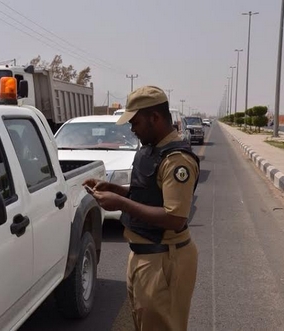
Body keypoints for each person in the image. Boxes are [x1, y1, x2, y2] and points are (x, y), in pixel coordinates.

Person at [83, 86, 200, 331]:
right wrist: (116, 190)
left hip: (165, 259)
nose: (132, 129)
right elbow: (149, 197)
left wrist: (120, 203)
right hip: (143, 255)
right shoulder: (150, 150)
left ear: (155, 118)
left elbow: (174, 217)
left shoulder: (176, 159)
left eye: (135, 122)